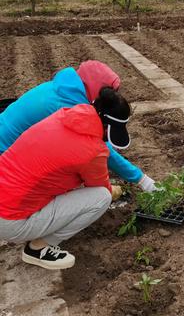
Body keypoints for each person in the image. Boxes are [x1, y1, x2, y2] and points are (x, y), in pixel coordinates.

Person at [0, 87, 131, 269]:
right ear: (107, 127)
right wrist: (114, 190)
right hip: (8, 220)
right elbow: (99, 187)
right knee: (101, 197)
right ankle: (38, 249)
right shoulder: (93, 150)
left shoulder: (63, 115)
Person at [0, 60, 156, 191]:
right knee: (75, 175)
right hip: (6, 160)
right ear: (96, 88)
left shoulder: (63, 88)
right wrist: (141, 179)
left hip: (11, 146)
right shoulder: (68, 107)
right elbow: (98, 150)